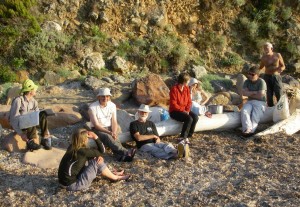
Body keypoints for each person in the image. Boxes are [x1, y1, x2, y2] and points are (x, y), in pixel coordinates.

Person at [58, 128, 130, 191]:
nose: (88, 139)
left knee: (94, 159)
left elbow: (94, 155)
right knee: (96, 162)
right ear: (84, 140)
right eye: (87, 138)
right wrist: (96, 137)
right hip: (73, 185)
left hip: (63, 183)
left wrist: (98, 156)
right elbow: (102, 151)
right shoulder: (83, 151)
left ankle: (111, 174)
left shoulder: (72, 147)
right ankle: (115, 178)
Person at [88, 88, 136, 162]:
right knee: (107, 136)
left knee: (115, 136)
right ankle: (125, 151)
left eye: (107, 96)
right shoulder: (92, 107)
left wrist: (113, 131)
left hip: (109, 126)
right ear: (99, 97)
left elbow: (114, 120)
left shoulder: (112, 105)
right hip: (97, 128)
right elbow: (96, 125)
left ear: (109, 97)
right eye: (103, 96)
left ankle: (120, 157)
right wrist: (109, 132)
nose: (105, 98)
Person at [8, 79, 52, 151]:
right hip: (20, 124)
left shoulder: (33, 101)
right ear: (30, 91)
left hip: (29, 123)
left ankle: (44, 138)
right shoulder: (18, 100)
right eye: (34, 89)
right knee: (30, 117)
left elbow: (37, 115)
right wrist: (21, 134)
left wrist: (46, 131)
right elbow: (13, 119)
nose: (36, 90)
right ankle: (30, 142)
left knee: (42, 114)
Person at [169, 73, 199, 144]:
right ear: (184, 81)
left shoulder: (186, 88)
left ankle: (188, 136)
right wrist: (183, 110)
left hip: (184, 110)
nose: (189, 82)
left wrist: (187, 110)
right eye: (188, 81)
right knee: (189, 118)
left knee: (195, 117)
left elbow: (189, 101)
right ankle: (182, 137)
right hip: (174, 111)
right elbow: (173, 104)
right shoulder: (174, 89)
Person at [241, 66, 267, 136]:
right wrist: (255, 92)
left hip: (260, 102)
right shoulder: (246, 81)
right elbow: (243, 93)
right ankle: (247, 129)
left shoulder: (261, 82)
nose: (250, 76)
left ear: (257, 75)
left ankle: (251, 131)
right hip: (250, 101)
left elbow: (260, 96)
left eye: (252, 74)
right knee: (244, 111)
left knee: (255, 116)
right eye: (249, 73)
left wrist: (249, 93)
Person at [259, 42, 285, 107]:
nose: (265, 50)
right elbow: (260, 67)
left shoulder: (277, 55)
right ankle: (271, 108)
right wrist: (254, 72)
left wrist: (281, 69)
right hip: (267, 77)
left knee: (279, 92)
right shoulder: (263, 58)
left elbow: (283, 66)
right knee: (268, 94)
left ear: (271, 48)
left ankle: (281, 108)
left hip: (276, 76)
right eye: (264, 48)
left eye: (267, 48)